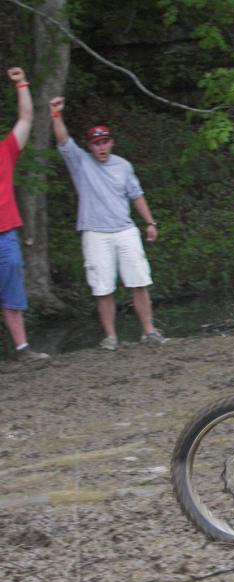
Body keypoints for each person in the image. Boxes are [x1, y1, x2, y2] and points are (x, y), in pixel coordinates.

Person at [50, 97, 165, 351]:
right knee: (102, 287)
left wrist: (149, 222)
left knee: (139, 281)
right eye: (96, 143)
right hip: (94, 232)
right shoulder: (81, 162)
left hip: (125, 229)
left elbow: (136, 195)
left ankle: (149, 331)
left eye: (104, 142)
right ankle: (111, 337)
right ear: (90, 146)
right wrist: (56, 115)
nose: (101, 147)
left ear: (111, 142)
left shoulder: (123, 165)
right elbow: (63, 141)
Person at [1, 67, 49, 362]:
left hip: (5, 235)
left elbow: (27, 118)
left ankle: (22, 348)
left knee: (12, 294)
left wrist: (21, 84)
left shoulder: (5, 150)